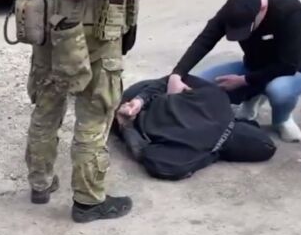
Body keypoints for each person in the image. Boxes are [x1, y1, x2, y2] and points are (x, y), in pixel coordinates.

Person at [22, 0, 135, 223]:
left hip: (46, 9)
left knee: (47, 104)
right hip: (93, 14)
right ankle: (88, 200)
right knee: (94, 110)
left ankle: (40, 183)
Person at [168, 0, 301, 143]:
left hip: (292, 71)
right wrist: (177, 74)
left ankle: (282, 119)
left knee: (279, 90)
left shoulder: (288, 9)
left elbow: (288, 65)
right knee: (197, 84)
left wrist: (243, 80)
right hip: (253, 66)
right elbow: (205, 40)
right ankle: (252, 96)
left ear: (262, 9)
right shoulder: (233, 10)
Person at [115, 75, 276, 180]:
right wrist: (126, 126)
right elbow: (155, 162)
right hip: (122, 116)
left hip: (142, 90)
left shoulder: (218, 97)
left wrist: (140, 99)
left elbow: (176, 77)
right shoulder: (192, 153)